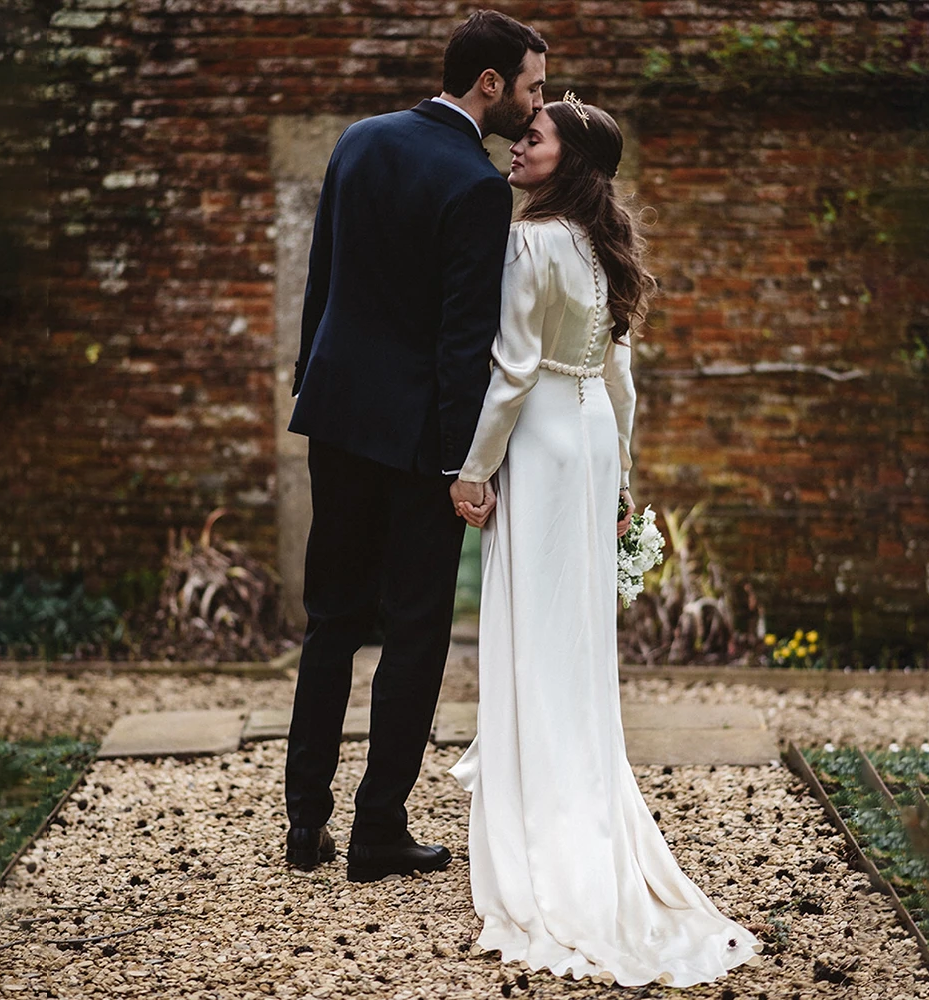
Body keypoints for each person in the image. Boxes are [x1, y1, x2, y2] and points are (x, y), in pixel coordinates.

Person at [449, 96, 763, 987]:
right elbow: (620, 372)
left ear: (569, 159)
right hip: (588, 442)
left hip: (543, 440)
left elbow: (511, 370)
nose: (517, 144)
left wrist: (475, 469)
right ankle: (577, 788)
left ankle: (542, 811)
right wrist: (622, 471)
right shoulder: (600, 242)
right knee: (577, 631)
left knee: (537, 630)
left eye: (534, 137)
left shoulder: (535, 240)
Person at [284, 10, 548, 884]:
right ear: (488, 85)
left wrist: (306, 380)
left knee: (329, 621)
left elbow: (323, 274)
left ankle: (304, 823)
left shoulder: (361, 140)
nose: (533, 102)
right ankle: (378, 832)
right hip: (411, 445)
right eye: (531, 86)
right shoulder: (475, 187)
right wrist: (461, 467)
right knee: (415, 631)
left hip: (336, 415)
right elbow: (461, 341)